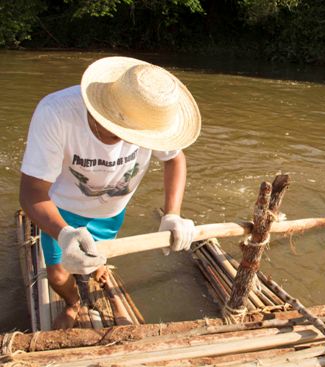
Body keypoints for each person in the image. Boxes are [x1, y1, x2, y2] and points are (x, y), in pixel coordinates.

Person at [19, 56, 201, 329]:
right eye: (122, 132)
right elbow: (32, 193)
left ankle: (99, 277)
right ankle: (73, 303)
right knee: (57, 275)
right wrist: (64, 233)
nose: (129, 142)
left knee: (96, 261)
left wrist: (173, 214)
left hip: (111, 212)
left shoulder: (151, 120)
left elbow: (174, 159)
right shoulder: (57, 113)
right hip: (60, 209)